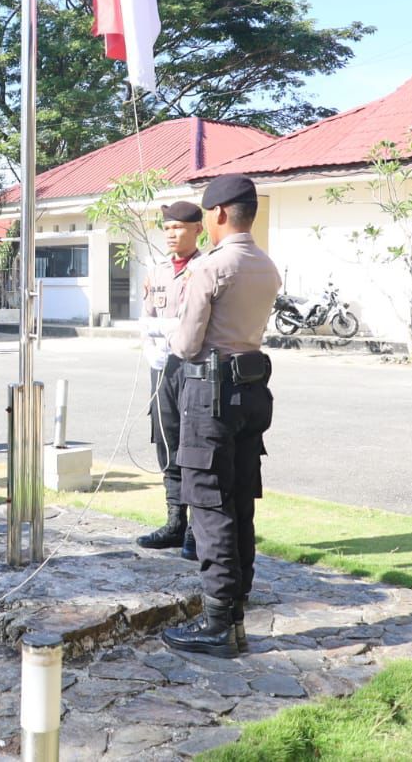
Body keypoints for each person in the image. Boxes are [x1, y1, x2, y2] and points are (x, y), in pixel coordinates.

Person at [160, 174, 280, 659]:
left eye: (207, 215)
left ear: (221, 213)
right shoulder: (266, 265)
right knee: (239, 503)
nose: (205, 224)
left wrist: (166, 331)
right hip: (251, 391)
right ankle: (235, 616)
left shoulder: (212, 267)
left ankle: (215, 621)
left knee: (209, 505)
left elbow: (188, 344)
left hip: (209, 393)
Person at [137, 201, 204, 560]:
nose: (172, 234)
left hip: (194, 368)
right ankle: (174, 522)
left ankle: (196, 528)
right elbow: (147, 318)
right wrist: (152, 341)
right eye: (167, 228)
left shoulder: (205, 269)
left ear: (198, 229)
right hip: (163, 368)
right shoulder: (158, 272)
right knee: (167, 443)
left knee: (194, 447)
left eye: (179, 227)